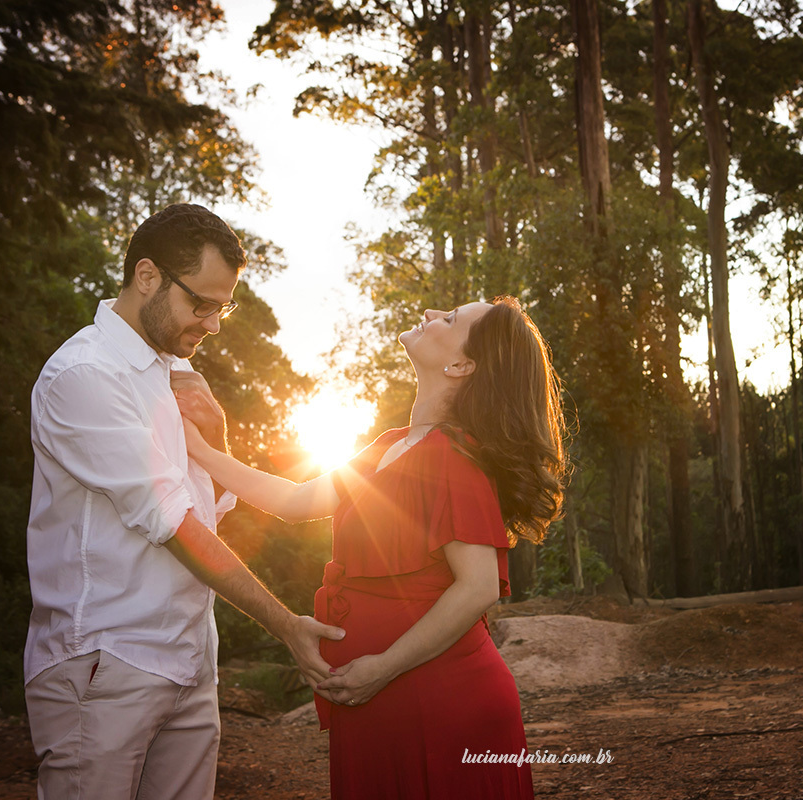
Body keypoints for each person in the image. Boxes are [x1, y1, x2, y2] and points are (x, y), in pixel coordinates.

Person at [181, 296, 567, 799]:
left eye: (449, 320)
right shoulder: (391, 443)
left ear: (459, 365)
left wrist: (382, 669)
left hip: (440, 704)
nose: (430, 313)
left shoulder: (455, 457)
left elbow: (477, 588)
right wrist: (201, 449)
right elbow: (296, 499)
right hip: (377, 698)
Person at [24, 203, 345, 800]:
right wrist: (285, 624)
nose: (215, 323)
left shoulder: (172, 373)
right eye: (203, 303)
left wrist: (217, 438)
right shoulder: (85, 376)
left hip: (190, 660)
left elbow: (206, 513)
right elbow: (175, 526)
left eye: (223, 306)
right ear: (147, 277)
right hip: (106, 664)